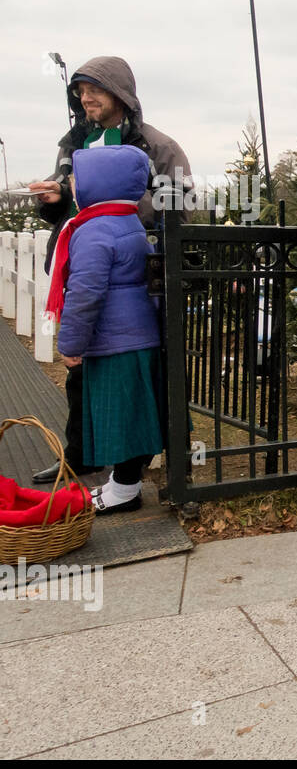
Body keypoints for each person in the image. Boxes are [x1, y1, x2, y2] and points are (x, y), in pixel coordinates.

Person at [27, 56, 190, 484]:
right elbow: (65, 197)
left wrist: (119, 212)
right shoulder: (72, 143)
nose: (85, 99)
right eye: (79, 92)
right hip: (77, 268)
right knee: (80, 370)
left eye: (93, 91)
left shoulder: (157, 146)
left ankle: (136, 466)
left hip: (132, 277)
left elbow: (183, 204)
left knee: (130, 373)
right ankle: (81, 455)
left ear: (120, 94)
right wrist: (54, 198)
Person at [47, 145, 166, 515]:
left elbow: (85, 293)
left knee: (120, 418)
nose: (71, 183)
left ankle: (125, 490)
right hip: (133, 335)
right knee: (129, 415)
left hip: (115, 340)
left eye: (75, 178)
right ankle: (122, 484)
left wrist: (70, 343)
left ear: (100, 183)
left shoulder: (96, 230)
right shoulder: (125, 220)